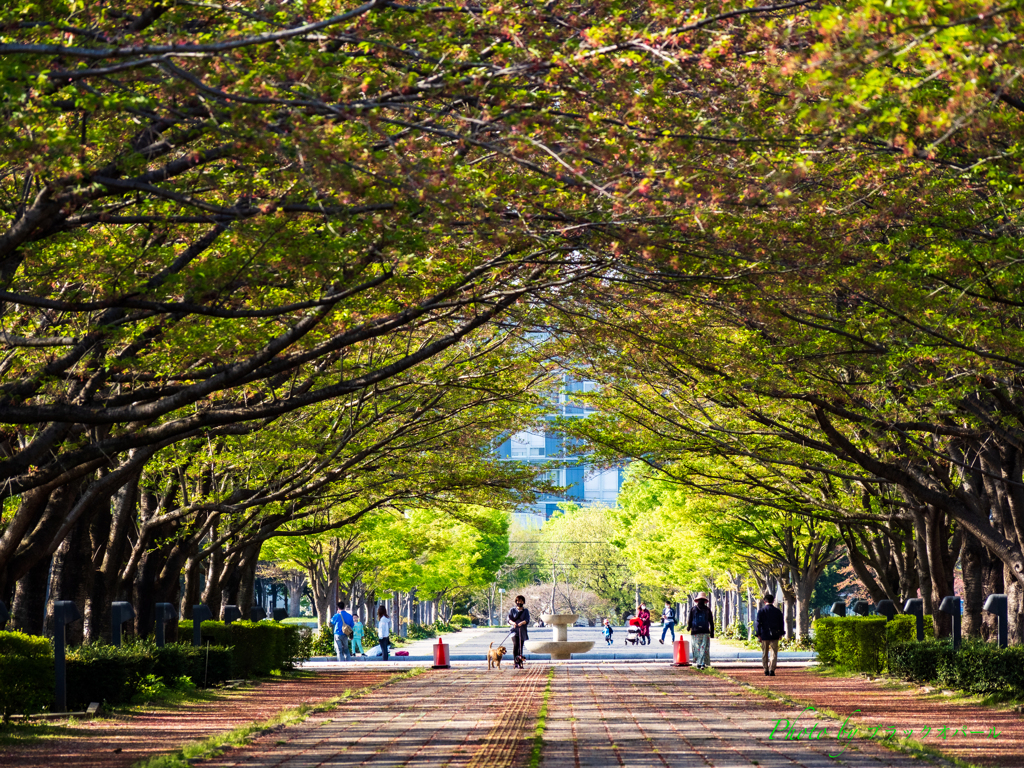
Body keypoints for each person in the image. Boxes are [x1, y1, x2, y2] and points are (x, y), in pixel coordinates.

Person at [755, 592, 785, 676]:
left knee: (765, 652)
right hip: (775, 634)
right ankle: (772, 669)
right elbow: (781, 623)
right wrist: (781, 633)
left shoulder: (761, 611)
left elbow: (758, 623)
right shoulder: (777, 611)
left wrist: (758, 634)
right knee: (774, 652)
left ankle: (765, 669)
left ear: (764, 601)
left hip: (764, 634)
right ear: (773, 601)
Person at [686, 592, 714, 668]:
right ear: (705, 601)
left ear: (697, 600)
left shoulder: (693, 609)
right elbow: (711, 621)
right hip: (705, 631)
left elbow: (690, 619)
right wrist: (712, 632)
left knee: (697, 647)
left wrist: (689, 627)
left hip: (695, 631)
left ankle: (699, 663)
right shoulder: (708, 609)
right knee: (704, 647)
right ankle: (702, 663)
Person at [508, 594, 530, 668]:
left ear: (523, 602)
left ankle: (520, 662)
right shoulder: (512, 610)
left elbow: (527, 620)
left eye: (521, 601)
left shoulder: (525, 611)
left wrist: (522, 622)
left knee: (520, 646)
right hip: (514, 630)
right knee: (515, 644)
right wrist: (513, 623)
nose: (519, 602)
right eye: (517, 601)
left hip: (522, 630)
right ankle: (515, 661)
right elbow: (509, 619)